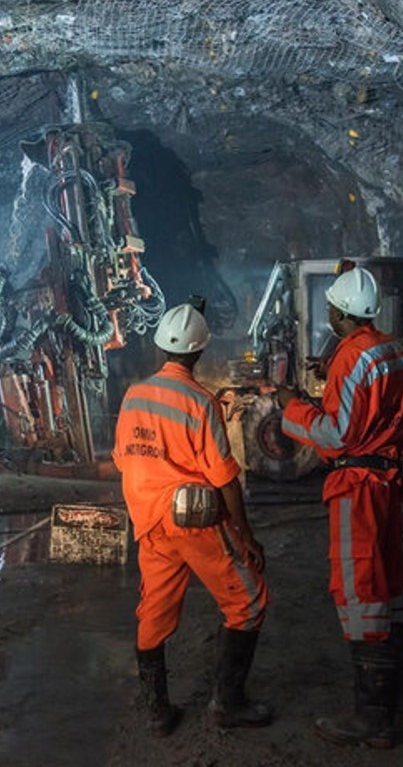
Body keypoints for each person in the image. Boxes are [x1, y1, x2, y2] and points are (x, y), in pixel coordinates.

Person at [276, 266, 403, 749]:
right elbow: (378, 402)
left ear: (335, 311)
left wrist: (291, 408)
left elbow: (337, 434)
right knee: (390, 584)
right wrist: (331, 374)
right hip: (388, 480)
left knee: (359, 588)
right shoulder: (391, 348)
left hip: (356, 484)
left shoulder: (350, 357)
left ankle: (372, 715)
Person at [113, 302, 272, 736]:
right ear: (199, 352)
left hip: (149, 524)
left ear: (161, 346)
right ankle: (227, 703)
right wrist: (247, 536)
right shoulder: (200, 403)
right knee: (249, 601)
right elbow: (225, 478)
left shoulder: (133, 397)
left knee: (153, 614)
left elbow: (124, 459)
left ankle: (157, 713)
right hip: (194, 523)